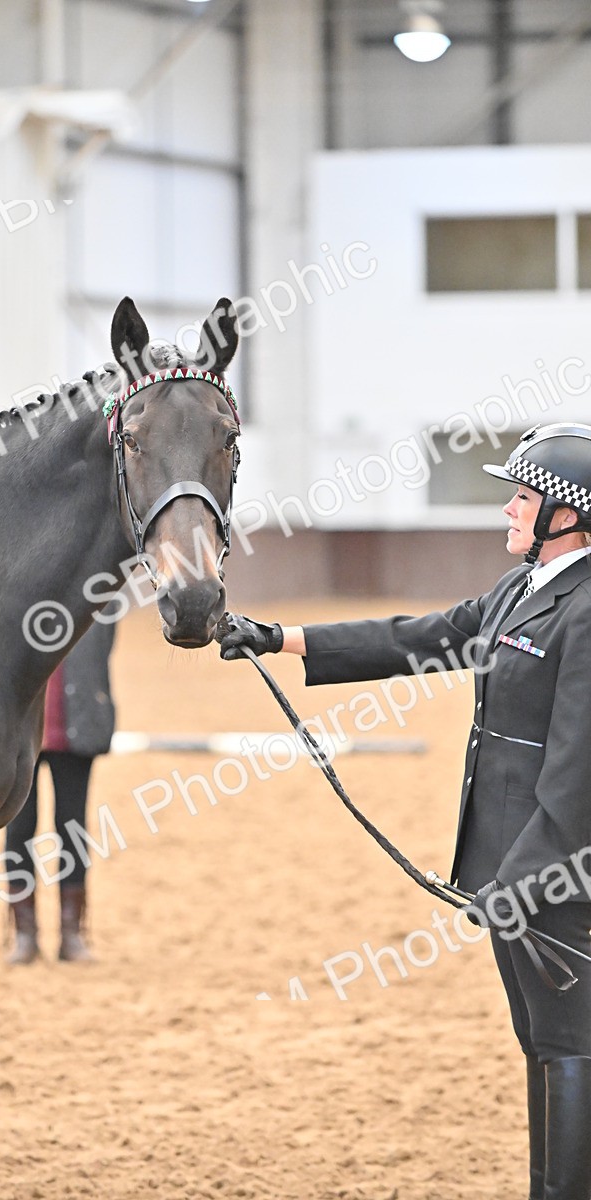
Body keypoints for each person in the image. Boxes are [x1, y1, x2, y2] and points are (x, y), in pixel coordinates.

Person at [217, 422, 591, 1200]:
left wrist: (523, 878)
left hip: (551, 875)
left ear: (568, 514)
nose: (508, 511)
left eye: (522, 497)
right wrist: (280, 638)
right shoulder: (523, 591)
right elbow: (420, 637)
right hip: (510, 872)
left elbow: (577, 769)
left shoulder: (585, 609)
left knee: (570, 1045)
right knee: (542, 1042)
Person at [5, 618, 116, 964]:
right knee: (19, 830)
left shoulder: (94, 597)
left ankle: (72, 933)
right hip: (21, 733)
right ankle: (25, 933)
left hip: (75, 726)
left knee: (73, 830)